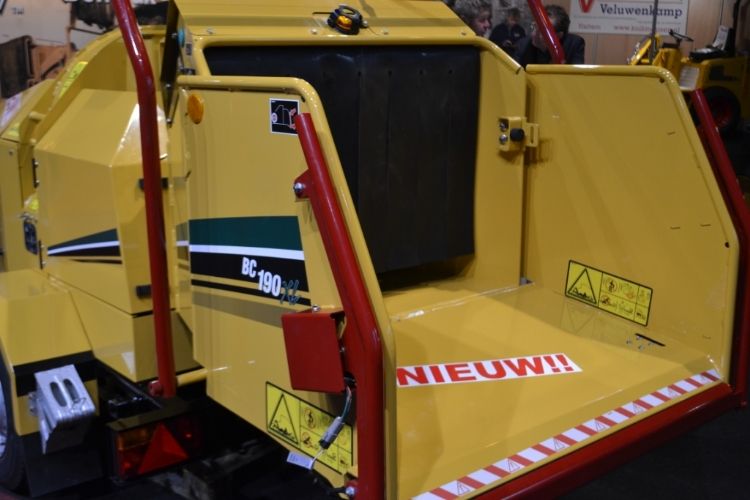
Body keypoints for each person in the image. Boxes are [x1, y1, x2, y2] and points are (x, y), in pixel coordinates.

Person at [514, 5, 585, 66]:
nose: (534, 34)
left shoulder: (574, 44)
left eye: (542, 32)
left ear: (559, 36)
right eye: (534, 26)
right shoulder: (522, 45)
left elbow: (576, 75)